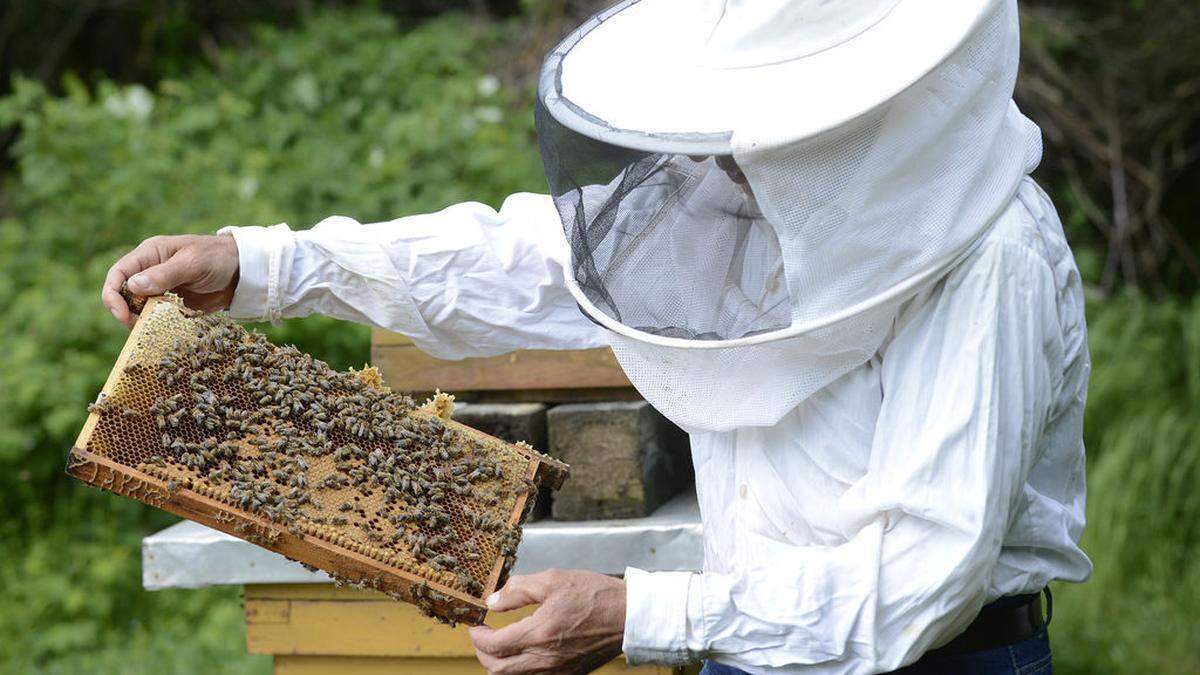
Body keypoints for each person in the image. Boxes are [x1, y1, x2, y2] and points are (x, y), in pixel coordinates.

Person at [101, 0, 1092, 673]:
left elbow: (919, 584)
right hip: (747, 651)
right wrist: (261, 263)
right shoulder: (744, 185)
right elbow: (529, 256)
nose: (729, 151)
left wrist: (636, 614)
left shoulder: (992, 255)